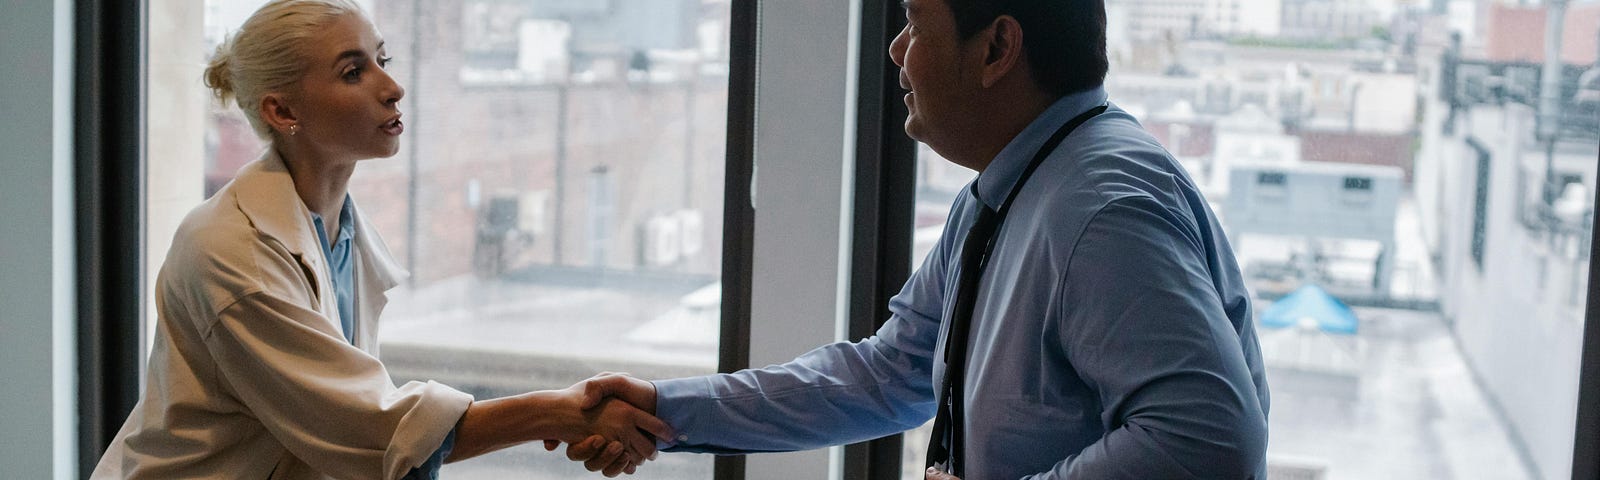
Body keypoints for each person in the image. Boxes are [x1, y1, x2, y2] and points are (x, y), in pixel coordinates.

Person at [558, 0, 1270, 478]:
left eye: (914, 23)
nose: (896, 50)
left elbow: (1206, 438)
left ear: (996, 47)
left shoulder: (1100, 207)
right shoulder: (1011, 189)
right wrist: (666, 409)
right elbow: (885, 374)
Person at [90, 1, 668, 478]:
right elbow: (370, 428)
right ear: (281, 108)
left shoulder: (337, 228)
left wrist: (576, 417)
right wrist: (561, 413)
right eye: (354, 71)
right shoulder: (232, 250)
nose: (393, 88)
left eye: (382, 60)